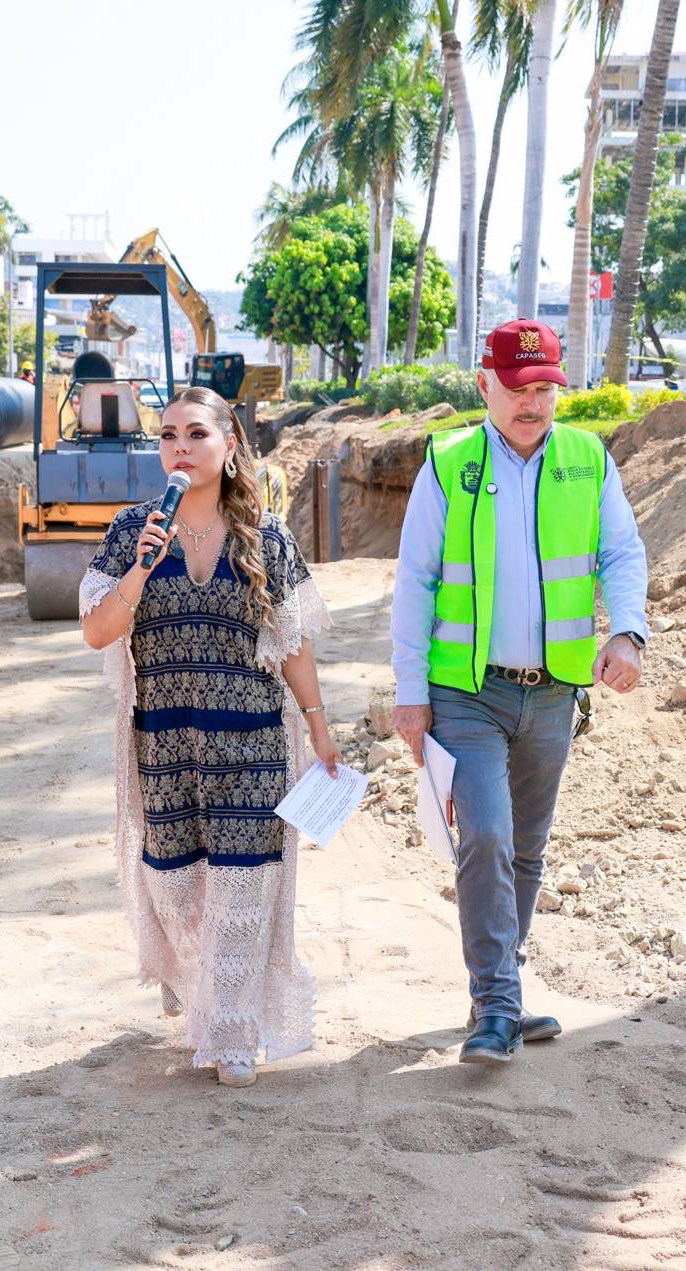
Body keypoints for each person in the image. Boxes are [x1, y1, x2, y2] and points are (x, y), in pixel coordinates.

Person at [391, 319, 649, 1066]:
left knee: (528, 848)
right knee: (489, 838)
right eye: (519, 387)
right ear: (484, 385)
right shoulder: (448, 465)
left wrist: (627, 631)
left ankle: (495, 988)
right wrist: (411, 692)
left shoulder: (587, 459)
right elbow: (416, 583)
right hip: (466, 691)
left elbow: (622, 551)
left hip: (555, 693)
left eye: (545, 388)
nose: (534, 402)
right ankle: (500, 1007)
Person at [79, 385, 338, 1088]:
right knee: (179, 890)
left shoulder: (268, 537)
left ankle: (231, 1035)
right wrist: (140, 566)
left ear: (229, 447)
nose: (181, 447)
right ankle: (203, 998)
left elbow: (292, 644)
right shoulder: (135, 529)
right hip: (163, 746)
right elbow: (98, 629)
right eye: (168, 436)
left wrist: (318, 725)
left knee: (243, 888)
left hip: (250, 744)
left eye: (196, 433)